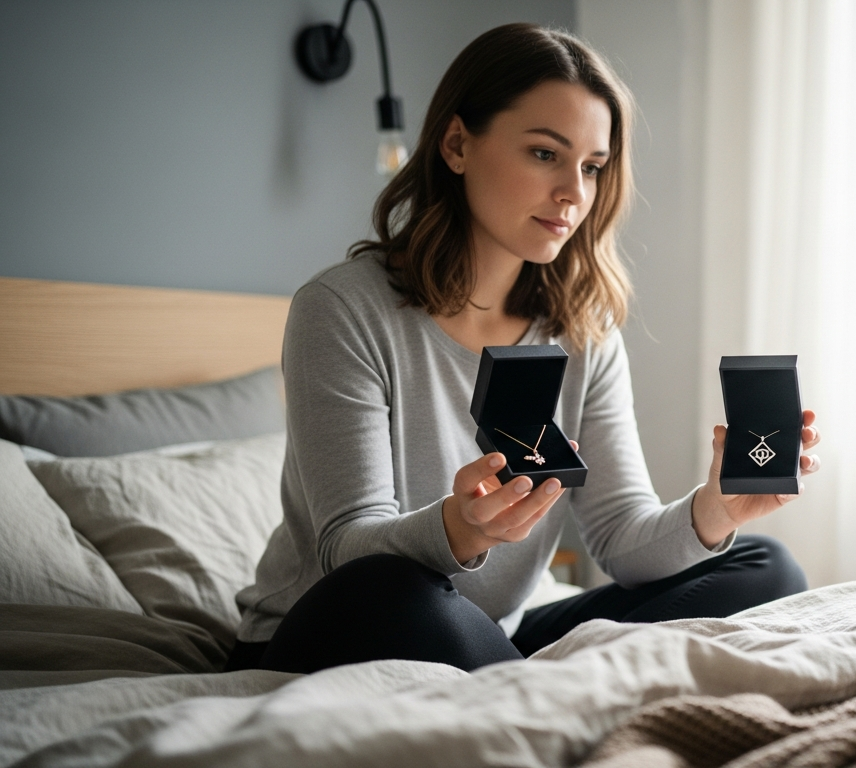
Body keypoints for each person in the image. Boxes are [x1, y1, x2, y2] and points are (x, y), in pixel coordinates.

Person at [225, 23, 820, 675]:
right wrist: (461, 528)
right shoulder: (342, 310)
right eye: (545, 154)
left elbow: (621, 537)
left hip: (487, 634)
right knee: (392, 589)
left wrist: (713, 509)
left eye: (592, 167)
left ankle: (521, 679)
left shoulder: (583, 330)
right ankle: (544, 683)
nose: (574, 193)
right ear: (457, 144)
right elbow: (347, 548)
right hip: (342, 621)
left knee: (764, 566)